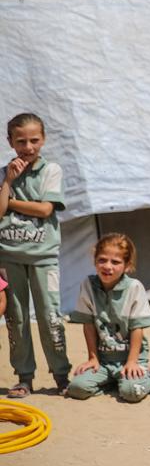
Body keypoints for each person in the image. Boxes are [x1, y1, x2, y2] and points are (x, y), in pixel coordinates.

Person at [0, 112, 72, 398]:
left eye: (34, 140)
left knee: (49, 315)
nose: (28, 147)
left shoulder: (51, 170)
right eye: (21, 141)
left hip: (43, 254)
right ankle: (24, 376)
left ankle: (61, 374)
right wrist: (7, 181)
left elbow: (45, 209)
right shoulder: (3, 172)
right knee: (16, 318)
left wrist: (12, 202)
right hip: (9, 254)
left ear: (43, 139)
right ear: (10, 142)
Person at [64, 233, 150, 402]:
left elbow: (137, 327)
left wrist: (133, 362)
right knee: (77, 389)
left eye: (115, 262)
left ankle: (145, 375)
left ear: (127, 265)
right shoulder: (88, 285)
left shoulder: (134, 287)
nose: (108, 266)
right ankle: (110, 381)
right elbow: (89, 324)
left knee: (131, 393)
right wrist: (93, 358)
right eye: (102, 260)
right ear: (95, 260)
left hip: (131, 358)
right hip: (103, 361)